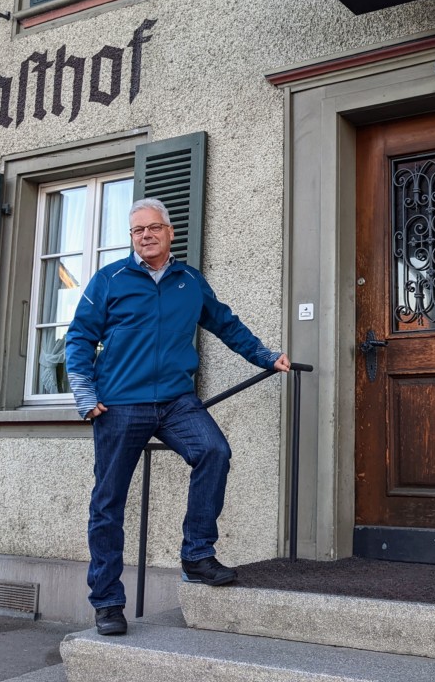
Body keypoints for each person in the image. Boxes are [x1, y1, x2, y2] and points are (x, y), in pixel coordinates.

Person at [65, 197, 290, 636]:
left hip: (175, 400)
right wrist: (84, 394)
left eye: (153, 228)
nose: (145, 236)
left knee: (214, 452)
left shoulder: (189, 281)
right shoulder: (110, 279)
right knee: (108, 503)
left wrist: (265, 356)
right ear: (131, 237)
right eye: (137, 230)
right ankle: (107, 602)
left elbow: (226, 324)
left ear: (170, 232)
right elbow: (79, 337)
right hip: (120, 404)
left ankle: (196, 555)